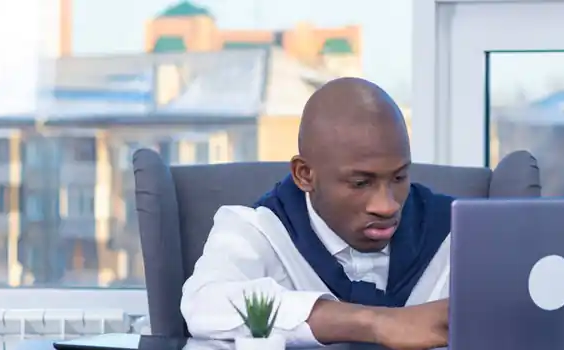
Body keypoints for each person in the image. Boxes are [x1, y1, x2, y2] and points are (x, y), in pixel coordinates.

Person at [181, 77, 453, 349]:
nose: (388, 206)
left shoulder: (456, 233)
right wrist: (376, 322)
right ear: (305, 175)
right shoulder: (259, 231)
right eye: (360, 183)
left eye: (398, 177)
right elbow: (205, 304)